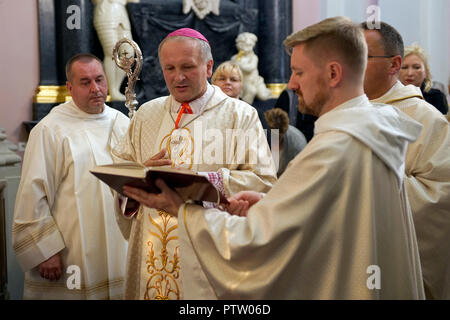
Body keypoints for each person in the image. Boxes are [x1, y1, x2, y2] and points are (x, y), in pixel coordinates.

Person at [122, 17, 425, 299]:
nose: (291, 85)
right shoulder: (376, 131)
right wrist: (266, 205)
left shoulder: (331, 148)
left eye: (299, 72)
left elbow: (259, 241)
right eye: (168, 68)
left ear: (333, 73)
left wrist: (183, 209)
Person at [111, 28, 276, 300]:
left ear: (209, 66)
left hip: (209, 252)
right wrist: (141, 172)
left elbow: (264, 181)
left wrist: (204, 181)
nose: (178, 77)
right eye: (169, 68)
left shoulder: (240, 115)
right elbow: (120, 172)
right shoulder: (146, 114)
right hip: (150, 252)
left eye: (188, 67)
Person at [12, 53, 130, 299]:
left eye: (99, 79)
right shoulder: (49, 130)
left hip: (120, 244)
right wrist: (45, 250)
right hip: (70, 250)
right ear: (70, 87)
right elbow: (33, 195)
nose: (95, 88)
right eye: (85, 82)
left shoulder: (122, 123)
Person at [361, 21, 450, 299]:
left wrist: (366, 183)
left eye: (361, 56)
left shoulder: (425, 118)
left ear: (393, 64)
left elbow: (438, 198)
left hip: (395, 263)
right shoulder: (344, 113)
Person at [92, 0, 139, 101]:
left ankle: (116, 88)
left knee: (129, 52)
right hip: (105, 13)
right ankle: (112, 90)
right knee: (112, 53)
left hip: (122, 15)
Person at [398, 43, 449, 115]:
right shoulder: (389, 96)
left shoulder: (436, 97)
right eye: (404, 67)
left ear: (426, 72)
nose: (410, 73)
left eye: (416, 67)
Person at [231, 32, 272, 104]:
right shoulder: (235, 58)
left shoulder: (253, 57)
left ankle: (267, 92)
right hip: (242, 82)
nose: (244, 48)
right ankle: (244, 107)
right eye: (242, 45)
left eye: (247, 46)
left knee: (262, 96)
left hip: (254, 82)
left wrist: (240, 65)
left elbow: (250, 68)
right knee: (250, 91)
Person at [264, 108, 306, 177]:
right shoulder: (258, 133)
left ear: (283, 133)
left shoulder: (297, 144)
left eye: (277, 138)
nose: (274, 142)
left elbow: (297, 174)